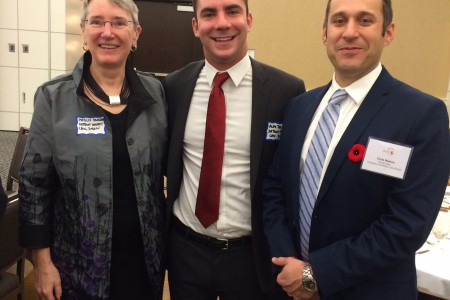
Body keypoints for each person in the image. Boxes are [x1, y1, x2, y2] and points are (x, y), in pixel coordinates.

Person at [262, 0, 450, 299]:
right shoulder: (300, 107)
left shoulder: (421, 115)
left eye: (364, 20)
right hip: (290, 286)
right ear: (325, 33)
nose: (349, 32)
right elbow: (274, 187)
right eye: (339, 21)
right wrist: (288, 265)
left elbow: (405, 226)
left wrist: (314, 276)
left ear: (388, 32)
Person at [18, 0, 167, 299]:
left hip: (144, 260)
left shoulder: (156, 93)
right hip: (78, 266)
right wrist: (42, 263)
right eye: (97, 22)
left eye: (119, 23)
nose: (107, 32)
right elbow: (34, 186)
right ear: (83, 31)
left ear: (136, 33)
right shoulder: (53, 98)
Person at [163, 0, 305, 298]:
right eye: (209, 14)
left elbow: (289, 181)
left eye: (232, 11)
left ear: (249, 20)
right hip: (186, 250)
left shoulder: (285, 91)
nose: (222, 23)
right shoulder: (173, 88)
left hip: (250, 256)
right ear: (195, 26)